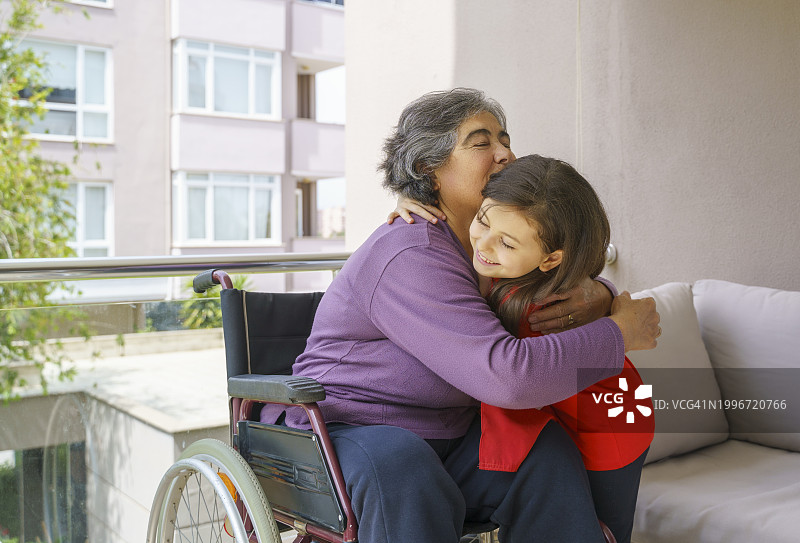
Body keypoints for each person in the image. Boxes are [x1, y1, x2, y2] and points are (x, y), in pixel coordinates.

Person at [262, 88, 660, 543]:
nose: (505, 152)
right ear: (426, 168)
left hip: (442, 432)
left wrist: (599, 294)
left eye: (505, 139)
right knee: (402, 463)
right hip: (342, 429)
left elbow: (552, 274)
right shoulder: (411, 250)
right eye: (481, 142)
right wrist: (619, 332)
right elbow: (507, 376)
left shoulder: (486, 245)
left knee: (540, 451)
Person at [458, 153, 654, 543]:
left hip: (610, 428)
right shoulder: (514, 266)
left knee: (604, 532)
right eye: (482, 220)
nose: (484, 244)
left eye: (506, 243)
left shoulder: (543, 310)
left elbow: (512, 378)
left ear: (550, 260)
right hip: (595, 416)